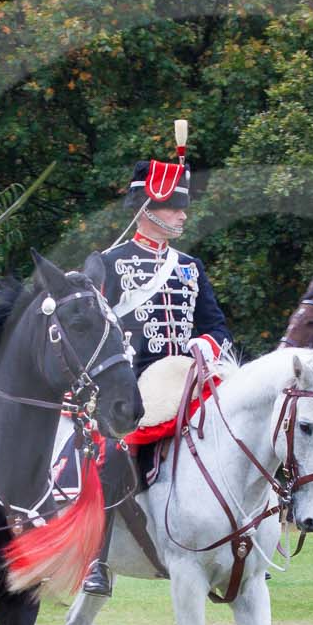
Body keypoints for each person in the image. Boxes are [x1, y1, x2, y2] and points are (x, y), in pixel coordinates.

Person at [80, 129, 230, 597]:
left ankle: (241, 541)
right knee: (109, 454)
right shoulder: (107, 262)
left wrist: (205, 346)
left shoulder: (190, 267)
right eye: (173, 208)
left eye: (182, 207)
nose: (183, 215)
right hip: (133, 383)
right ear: (147, 211)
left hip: (189, 379)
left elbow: (217, 325)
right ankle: (96, 559)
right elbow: (92, 332)